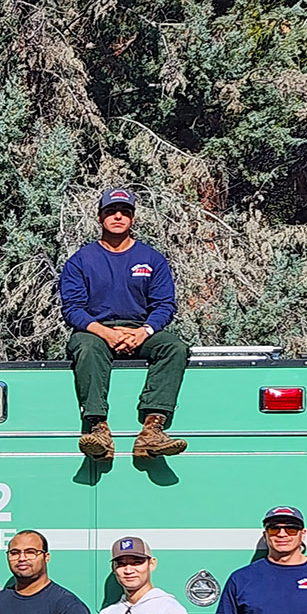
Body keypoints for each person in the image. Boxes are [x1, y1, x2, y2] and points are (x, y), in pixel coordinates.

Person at [57, 187, 189, 461]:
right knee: (86, 347)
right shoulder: (80, 261)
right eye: (111, 212)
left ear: (133, 218)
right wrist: (104, 332)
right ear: (99, 217)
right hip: (95, 331)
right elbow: (73, 309)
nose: (118, 216)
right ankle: (98, 429)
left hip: (140, 330)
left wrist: (144, 332)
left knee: (174, 347)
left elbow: (164, 305)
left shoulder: (152, 259)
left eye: (125, 212)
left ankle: (152, 430)